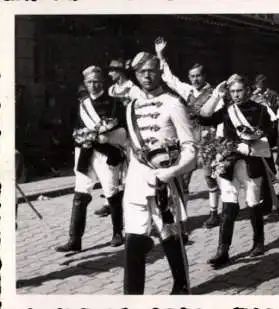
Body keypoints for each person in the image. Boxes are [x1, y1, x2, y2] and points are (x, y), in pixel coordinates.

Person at [121, 51, 196, 294]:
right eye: (142, 71)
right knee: (133, 239)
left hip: (163, 181)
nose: (147, 75)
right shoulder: (130, 106)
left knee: (169, 235)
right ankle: (133, 296)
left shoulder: (173, 104)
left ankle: (181, 285)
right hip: (135, 182)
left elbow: (191, 152)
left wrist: (171, 172)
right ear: (136, 75)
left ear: (160, 72)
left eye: (152, 70)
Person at [199, 74, 275, 266]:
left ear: (247, 90)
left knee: (253, 203)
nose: (235, 95)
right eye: (232, 91)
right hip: (229, 163)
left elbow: (270, 136)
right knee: (228, 205)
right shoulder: (226, 110)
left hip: (251, 163)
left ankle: (258, 242)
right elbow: (204, 117)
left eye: (239, 90)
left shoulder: (260, 110)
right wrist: (216, 95)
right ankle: (222, 251)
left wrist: (251, 147)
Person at [55, 66, 126, 252]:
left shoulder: (114, 103)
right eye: (89, 82)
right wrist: (79, 136)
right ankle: (74, 240)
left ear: (102, 82)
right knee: (80, 193)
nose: (93, 85)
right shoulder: (81, 104)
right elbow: (74, 127)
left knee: (111, 192)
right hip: (85, 153)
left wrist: (106, 136)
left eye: (96, 82)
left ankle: (118, 232)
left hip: (106, 152)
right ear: (85, 84)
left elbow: (122, 131)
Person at [154, 37, 221, 229]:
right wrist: (160, 55)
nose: (195, 79)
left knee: (210, 177)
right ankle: (182, 218)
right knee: (182, 178)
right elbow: (170, 79)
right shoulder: (188, 90)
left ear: (204, 75)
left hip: (209, 138)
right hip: (190, 139)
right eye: (192, 76)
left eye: (198, 75)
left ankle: (214, 213)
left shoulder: (215, 94)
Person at [93, 59, 140, 218]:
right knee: (112, 164)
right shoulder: (112, 90)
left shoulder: (133, 89)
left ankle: (130, 200)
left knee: (129, 165)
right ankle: (109, 201)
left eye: (112, 71)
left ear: (119, 71)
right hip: (114, 129)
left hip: (128, 131)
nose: (109, 74)